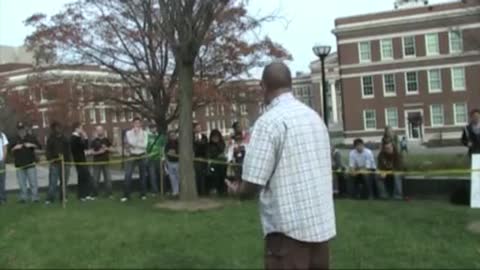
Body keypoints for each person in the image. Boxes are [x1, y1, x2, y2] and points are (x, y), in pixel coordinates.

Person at [225, 62, 336, 270]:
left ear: (263, 86)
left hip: (288, 233)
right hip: (321, 229)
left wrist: (236, 191)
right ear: (290, 84)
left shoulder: (268, 123)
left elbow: (253, 182)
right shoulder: (314, 118)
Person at [10, 122, 41, 203]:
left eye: (22, 129)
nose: (21, 131)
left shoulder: (31, 137)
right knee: (22, 183)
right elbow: (9, 152)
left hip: (30, 163)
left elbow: (39, 146)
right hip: (19, 164)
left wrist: (32, 145)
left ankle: (35, 198)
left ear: (25, 129)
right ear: (17, 130)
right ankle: (23, 197)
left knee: (33, 182)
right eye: (19, 130)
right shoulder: (14, 139)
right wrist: (14, 148)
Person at [122, 117, 148, 202]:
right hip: (132, 155)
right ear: (133, 124)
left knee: (143, 175)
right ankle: (126, 195)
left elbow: (145, 145)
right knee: (128, 175)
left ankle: (143, 194)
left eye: (138, 123)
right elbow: (130, 142)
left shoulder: (145, 133)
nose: (137, 125)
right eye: (135, 123)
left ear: (140, 124)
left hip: (142, 154)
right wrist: (137, 139)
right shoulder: (129, 133)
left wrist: (135, 143)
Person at [45, 122, 70, 204]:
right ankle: (50, 198)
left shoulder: (65, 139)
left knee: (64, 182)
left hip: (64, 163)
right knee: (53, 182)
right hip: (54, 163)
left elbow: (68, 150)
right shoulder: (50, 139)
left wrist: (68, 161)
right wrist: (50, 159)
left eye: (59, 128)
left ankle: (63, 197)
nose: (58, 130)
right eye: (56, 128)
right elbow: (48, 150)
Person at [70, 122, 94, 202]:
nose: (82, 129)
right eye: (81, 128)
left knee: (85, 177)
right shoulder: (74, 138)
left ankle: (86, 194)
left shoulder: (77, 138)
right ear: (76, 129)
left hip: (82, 159)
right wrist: (86, 138)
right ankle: (81, 195)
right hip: (79, 160)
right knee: (83, 177)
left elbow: (83, 148)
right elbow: (84, 147)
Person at [90, 126, 114, 198]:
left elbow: (113, 150)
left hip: (106, 162)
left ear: (103, 131)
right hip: (97, 162)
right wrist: (99, 152)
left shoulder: (107, 140)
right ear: (96, 131)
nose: (99, 131)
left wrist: (106, 148)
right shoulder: (94, 141)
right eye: (98, 130)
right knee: (95, 179)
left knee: (108, 179)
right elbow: (91, 152)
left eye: (100, 130)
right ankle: (94, 194)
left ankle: (109, 194)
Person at [206, 129, 227, 196]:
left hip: (222, 164)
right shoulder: (209, 145)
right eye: (214, 137)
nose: (215, 138)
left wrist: (217, 143)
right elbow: (208, 154)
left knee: (222, 176)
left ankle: (222, 189)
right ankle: (214, 189)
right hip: (213, 164)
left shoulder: (221, 143)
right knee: (214, 176)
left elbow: (222, 150)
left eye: (216, 137)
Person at [146, 124, 166, 196]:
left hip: (159, 159)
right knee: (152, 175)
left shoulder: (161, 137)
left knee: (161, 175)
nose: (153, 129)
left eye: (154, 128)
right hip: (151, 159)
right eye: (152, 128)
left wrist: (163, 157)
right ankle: (154, 191)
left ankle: (163, 190)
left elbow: (163, 147)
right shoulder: (147, 136)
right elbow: (146, 146)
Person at [193, 122, 208, 196]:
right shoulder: (191, 137)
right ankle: (197, 191)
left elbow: (205, 146)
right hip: (195, 158)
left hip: (202, 157)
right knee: (197, 175)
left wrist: (200, 143)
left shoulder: (204, 137)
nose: (199, 129)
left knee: (202, 175)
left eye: (199, 127)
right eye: (197, 127)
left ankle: (203, 191)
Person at [164, 131, 179, 197]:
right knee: (172, 178)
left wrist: (174, 152)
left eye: (174, 135)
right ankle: (175, 191)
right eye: (171, 135)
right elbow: (166, 152)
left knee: (178, 177)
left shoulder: (178, 143)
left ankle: (179, 190)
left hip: (178, 162)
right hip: (170, 162)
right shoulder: (167, 144)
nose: (173, 137)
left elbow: (178, 151)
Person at [0, 129, 8, 205]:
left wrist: (3, 159)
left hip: (1, 162)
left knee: (2, 181)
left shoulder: (2, 136)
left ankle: (2, 198)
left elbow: (5, 148)